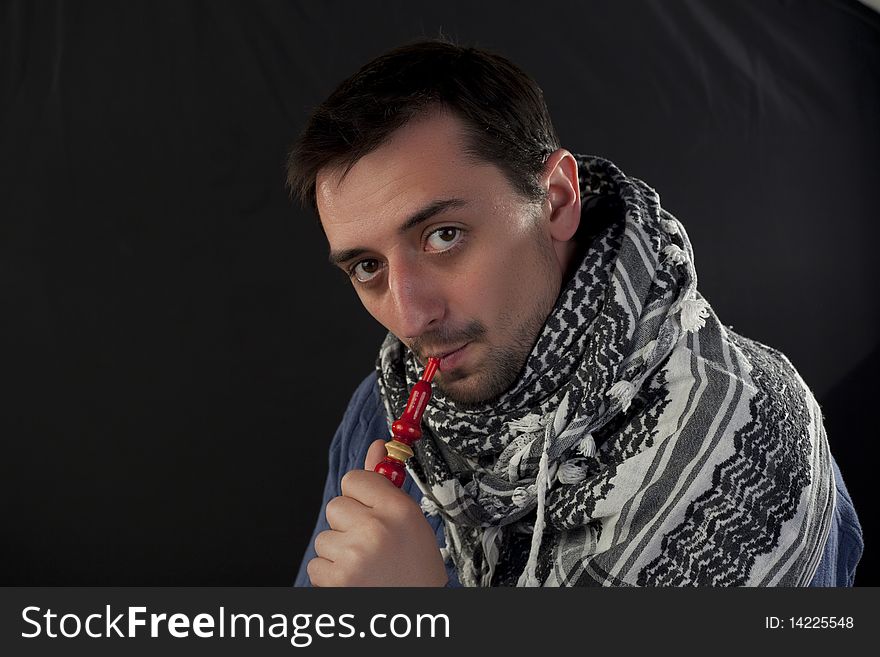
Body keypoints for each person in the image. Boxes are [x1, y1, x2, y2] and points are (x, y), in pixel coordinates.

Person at [286, 40, 863, 587]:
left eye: (443, 235)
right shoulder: (382, 412)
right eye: (367, 268)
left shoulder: (752, 442)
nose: (411, 318)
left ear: (557, 199)